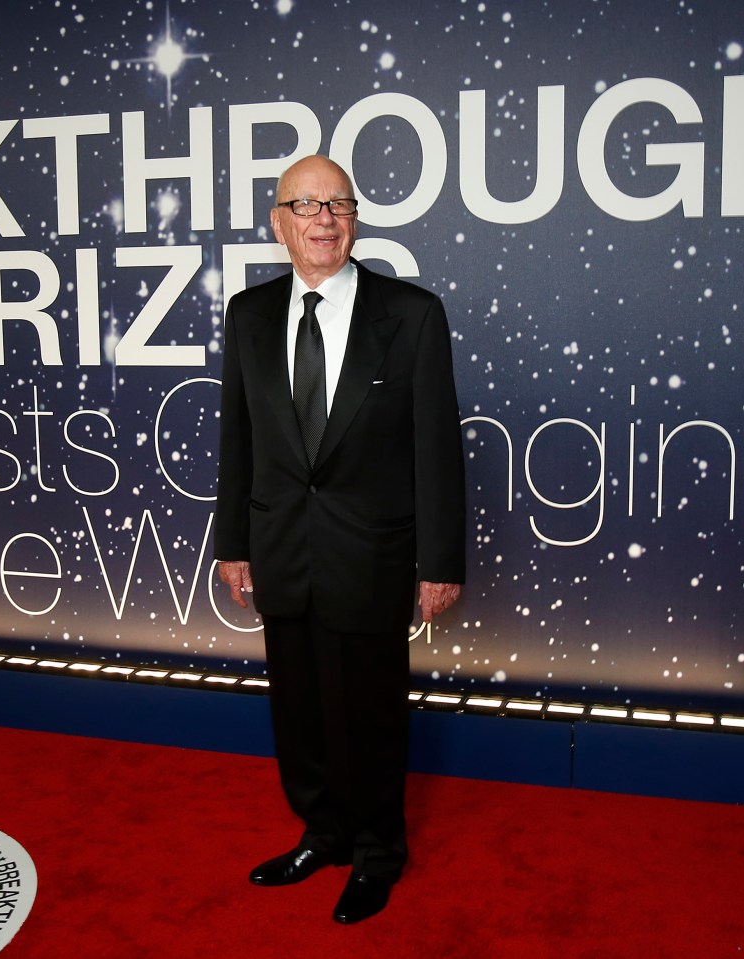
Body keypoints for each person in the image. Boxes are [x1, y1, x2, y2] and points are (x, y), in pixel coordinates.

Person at [214, 155, 466, 924]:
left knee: (372, 715)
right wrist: (233, 541)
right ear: (279, 222)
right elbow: (240, 439)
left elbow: (438, 447)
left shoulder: (412, 314)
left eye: (339, 204)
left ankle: (377, 852)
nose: (324, 218)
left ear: (354, 219)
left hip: (375, 554)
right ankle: (321, 833)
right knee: (298, 711)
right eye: (307, 204)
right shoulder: (248, 313)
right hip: (281, 549)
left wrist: (441, 561)